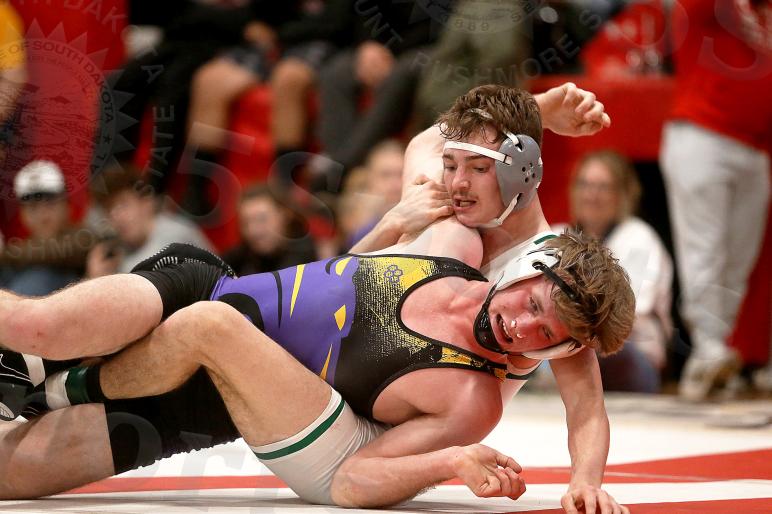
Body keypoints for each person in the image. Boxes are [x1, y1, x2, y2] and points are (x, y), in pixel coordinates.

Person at [0, 83, 627, 512]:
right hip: (231, 304)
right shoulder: (447, 220)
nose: (456, 182)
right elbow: (350, 266)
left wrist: (586, 482)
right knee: (43, 329)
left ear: (521, 172)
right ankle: (47, 375)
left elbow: (587, 405)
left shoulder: (550, 286)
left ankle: (49, 382)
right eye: (454, 165)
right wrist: (532, 112)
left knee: (16, 467)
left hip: (292, 394)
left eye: (478, 169)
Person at [659, 0, 772, 400]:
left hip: (755, 146)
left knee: (739, 260)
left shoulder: (760, 13)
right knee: (705, 250)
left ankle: (719, 352)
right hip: (703, 135)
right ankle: (707, 349)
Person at [559, 150, 673, 392]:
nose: (592, 195)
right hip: (563, 345)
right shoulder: (556, 235)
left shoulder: (638, 237)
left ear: (622, 194)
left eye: (603, 187)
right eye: (585, 184)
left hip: (628, 354)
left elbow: (625, 317)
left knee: (590, 348)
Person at [86, 164, 213, 277]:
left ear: (146, 201)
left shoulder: (178, 235)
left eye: (123, 205)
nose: (117, 217)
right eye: (109, 210)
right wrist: (96, 278)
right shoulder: (114, 257)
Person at [0, 161, 97, 295]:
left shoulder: (83, 237)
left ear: (67, 205)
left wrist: (5, 254)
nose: (43, 215)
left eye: (50, 203)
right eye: (33, 207)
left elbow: (68, 248)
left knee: (40, 276)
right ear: (22, 214)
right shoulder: (20, 252)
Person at [221, 183, 317, 275]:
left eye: (262, 219)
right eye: (246, 223)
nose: (253, 231)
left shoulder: (308, 256)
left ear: (284, 215)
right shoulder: (239, 258)